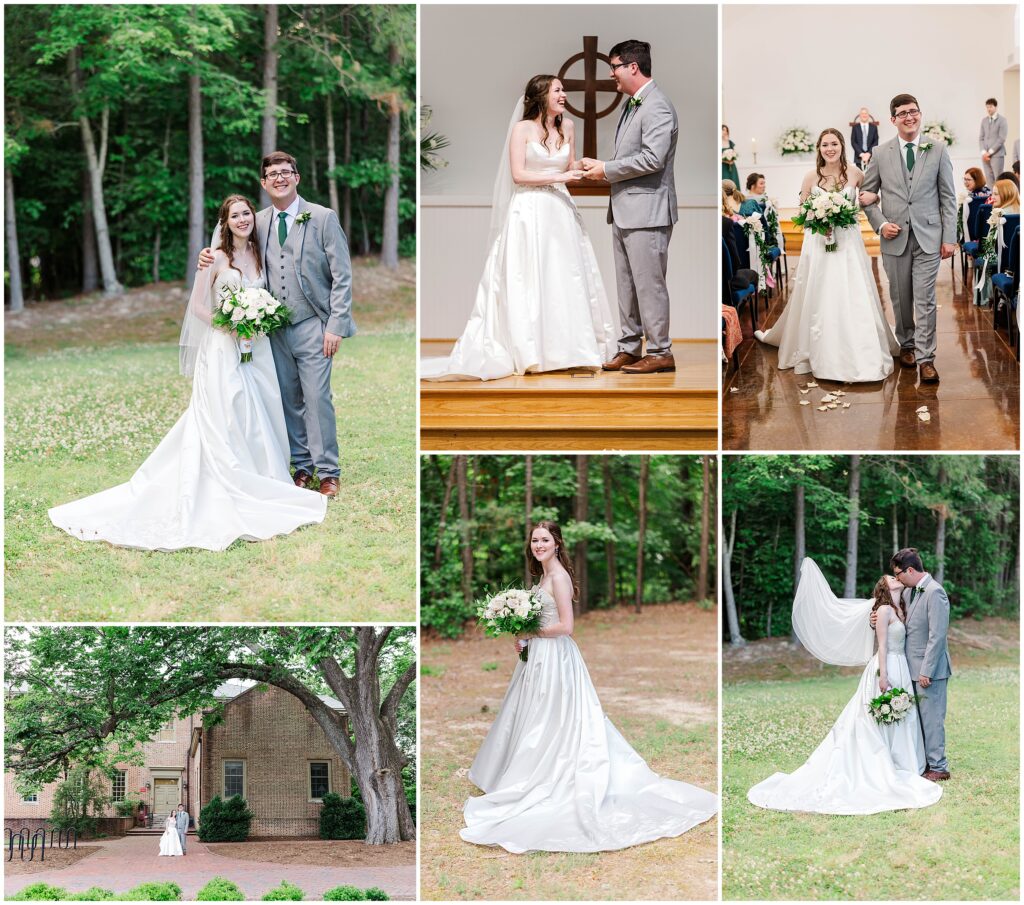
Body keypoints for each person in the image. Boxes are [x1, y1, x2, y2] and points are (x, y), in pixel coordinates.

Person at [49, 195, 327, 551]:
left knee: (261, 408)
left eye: (246, 213)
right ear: (224, 223)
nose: (242, 220)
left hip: (257, 348)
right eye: (234, 216)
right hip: (223, 347)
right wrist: (231, 326)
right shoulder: (214, 258)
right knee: (226, 411)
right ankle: (225, 477)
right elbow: (197, 306)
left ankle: (263, 475)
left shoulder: (261, 254)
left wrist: (256, 321)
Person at [461, 521, 717, 852]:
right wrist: (521, 634)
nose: (539, 545)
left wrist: (531, 634)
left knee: (554, 719)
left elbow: (567, 626)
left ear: (557, 544)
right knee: (536, 718)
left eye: (545, 540)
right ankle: (531, 771)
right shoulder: (542, 577)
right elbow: (543, 620)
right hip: (539, 658)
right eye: (535, 540)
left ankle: (552, 776)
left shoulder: (560, 577)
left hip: (557, 660)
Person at [420, 75, 616, 381]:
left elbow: (567, 168)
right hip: (529, 210)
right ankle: (531, 350)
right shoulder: (522, 129)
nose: (564, 94)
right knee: (529, 274)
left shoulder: (568, 127)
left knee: (566, 275)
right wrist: (561, 178)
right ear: (540, 96)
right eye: (558, 90)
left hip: (560, 211)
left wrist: (582, 167)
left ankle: (570, 348)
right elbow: (519, 175)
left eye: (563, 90)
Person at [199, 152, 353, 498]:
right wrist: (206, 257)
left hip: (313, 322)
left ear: (297, 177)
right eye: (272, 174)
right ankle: (301, 466)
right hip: (271, 330)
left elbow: (343, 275)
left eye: (286, 172)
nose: (280, 178)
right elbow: (230, 253)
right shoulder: (259, 221)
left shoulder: (323, 218)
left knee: (317, 398)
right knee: (287, 399)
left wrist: (335, 325)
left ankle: (328, 471)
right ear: (264, 183)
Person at [747, 558, 944, 814]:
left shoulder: (902, 605)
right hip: (887, 667)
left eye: (897, 575)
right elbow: (882, 646)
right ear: (885, 587)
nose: (896, 579)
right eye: (891, 578)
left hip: (904, 668)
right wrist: (884, 675)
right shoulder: (884, 610)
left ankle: (906, 762)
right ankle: (884, 763)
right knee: (877, 719)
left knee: (902, 716)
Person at [754, 128, 899, 383]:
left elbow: (868, 200)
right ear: (819, 149)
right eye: (825, 145)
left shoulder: (856, 173)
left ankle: (859, 347)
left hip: (848, 242)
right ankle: (819, 349)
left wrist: (874, 196)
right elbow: (803, 211)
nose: (829, 148)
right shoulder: (811, 177)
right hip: (819, 242)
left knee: (852, 290)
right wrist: (820, 219)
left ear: (842, 146)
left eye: (834, 143)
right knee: (821, 290)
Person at [580, 39, 679, 374]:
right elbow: (630, 156)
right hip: (625, 210)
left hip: (648, 212)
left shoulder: (657, 106)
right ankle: (630, 347)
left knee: (649, 284)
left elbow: (653, 158)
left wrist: (606, 170)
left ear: (633, 67)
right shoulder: (633, 104)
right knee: (627, 284)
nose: (612, 75)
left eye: (615, 67)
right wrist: (603, 163)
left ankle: (661, 351)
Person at [861, 94, 957, 384]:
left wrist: (950, 238)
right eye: (902, 113)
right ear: (893, 119)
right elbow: (866, 198)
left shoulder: (938, 149)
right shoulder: (880, 153)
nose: (909, 117)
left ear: (920, 114)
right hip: (895, 238)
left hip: (929, 236)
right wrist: (880, 225)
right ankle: (907, 345)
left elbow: (948, 197)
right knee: (901, 298)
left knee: (925, 299)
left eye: (913, 111)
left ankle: (927, 359)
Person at [979, 98, 1008, 186]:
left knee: (998, 178)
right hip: (985, 156)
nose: (989, 109)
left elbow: (1001, 138)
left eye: (991, 107)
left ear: (995, 107)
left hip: (997, 154)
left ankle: (1000, 198)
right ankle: (992, 198)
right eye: (987, 107)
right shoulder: (984, 120)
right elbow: (981, 138)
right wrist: (984, 152)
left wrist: (990, 152)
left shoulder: (1002, 120)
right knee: (989, 179)